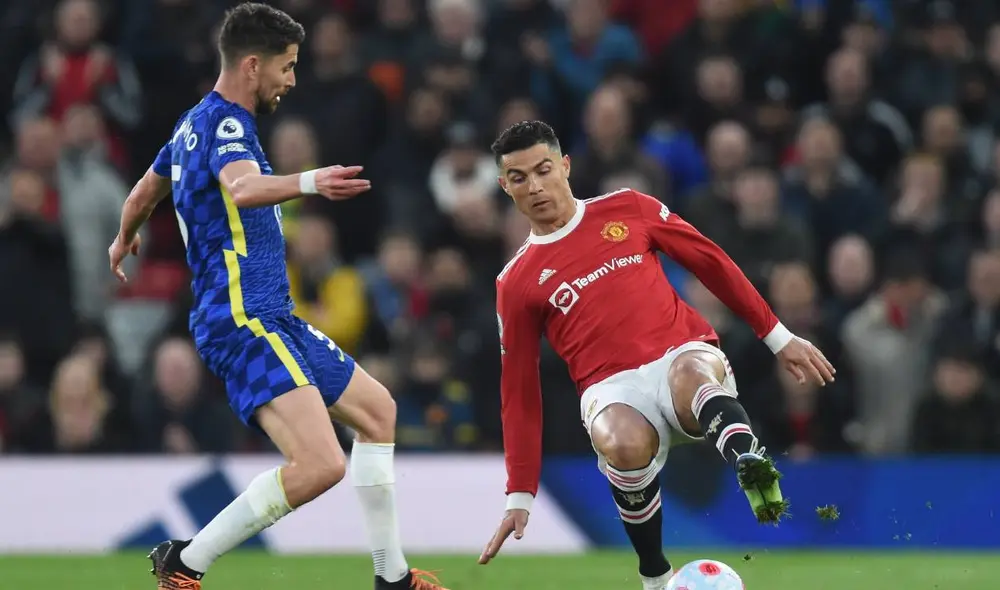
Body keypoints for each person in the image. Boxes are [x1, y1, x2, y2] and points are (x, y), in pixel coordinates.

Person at [107, 4, 446, 590]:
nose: (292, 81)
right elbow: (241, 189)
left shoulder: (192, 125)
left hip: (271, 316)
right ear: (253, 64)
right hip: (241, 319)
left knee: (378, 411)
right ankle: (185, 563)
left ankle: (392, 578)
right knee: (321, 465)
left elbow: (144, 190)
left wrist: (124, 237)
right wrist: (312, 180)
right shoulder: (229, 124)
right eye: (287, 68)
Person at [478, 121, 835, 589]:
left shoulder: (628, 207)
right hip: (611, 389)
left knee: (691, 374)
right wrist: (520, 491)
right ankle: (655, 576)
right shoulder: (516, 281)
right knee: (621, 442)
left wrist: (778, 336)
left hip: (680, 353)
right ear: (506, 186)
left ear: (565, 166)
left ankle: (750, 462)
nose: (536, 186)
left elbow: (710, 261)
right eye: (520, 177)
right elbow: (519, 390)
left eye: (544, 170)